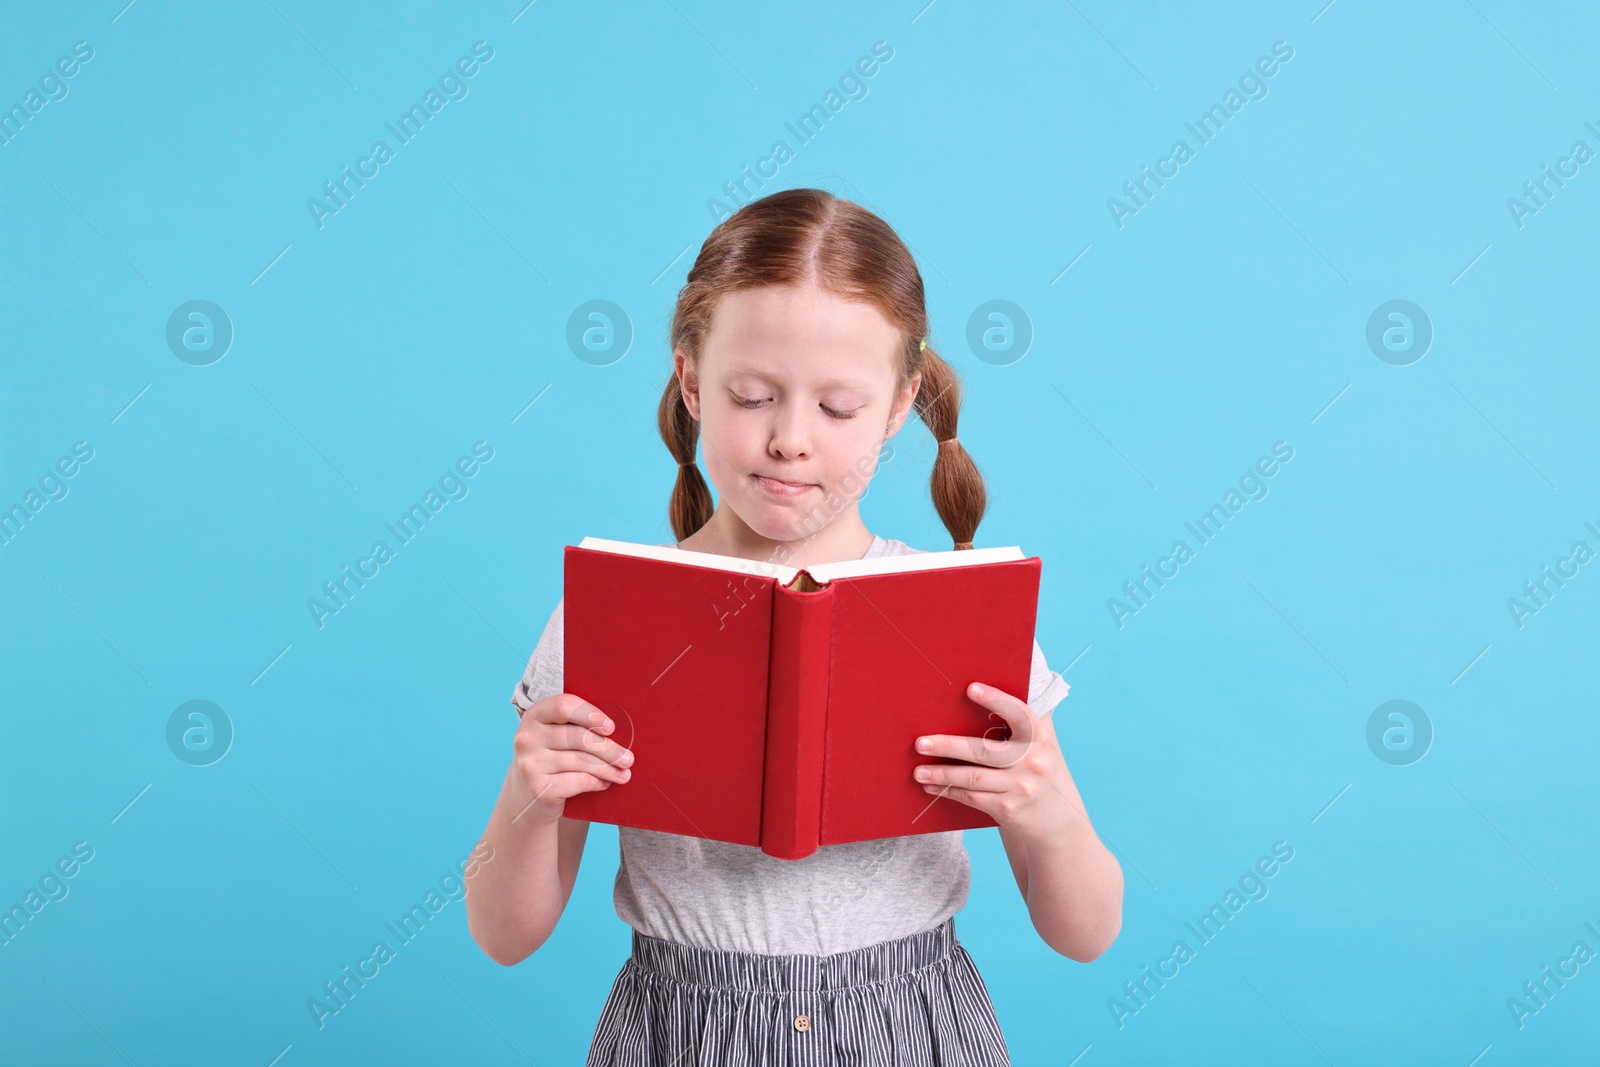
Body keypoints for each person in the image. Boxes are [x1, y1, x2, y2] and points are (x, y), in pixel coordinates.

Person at [465, 187, 1123, 1064]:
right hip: (684, 1029)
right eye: (752, 395)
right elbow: (503, 933)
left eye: (838, 408)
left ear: (899, 405)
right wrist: (528, 796)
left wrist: (1051, 815)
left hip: (909, 1027)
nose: (790, 439)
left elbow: (1086, 932)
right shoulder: (613, 612)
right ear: (691, 379)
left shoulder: (959, 617)